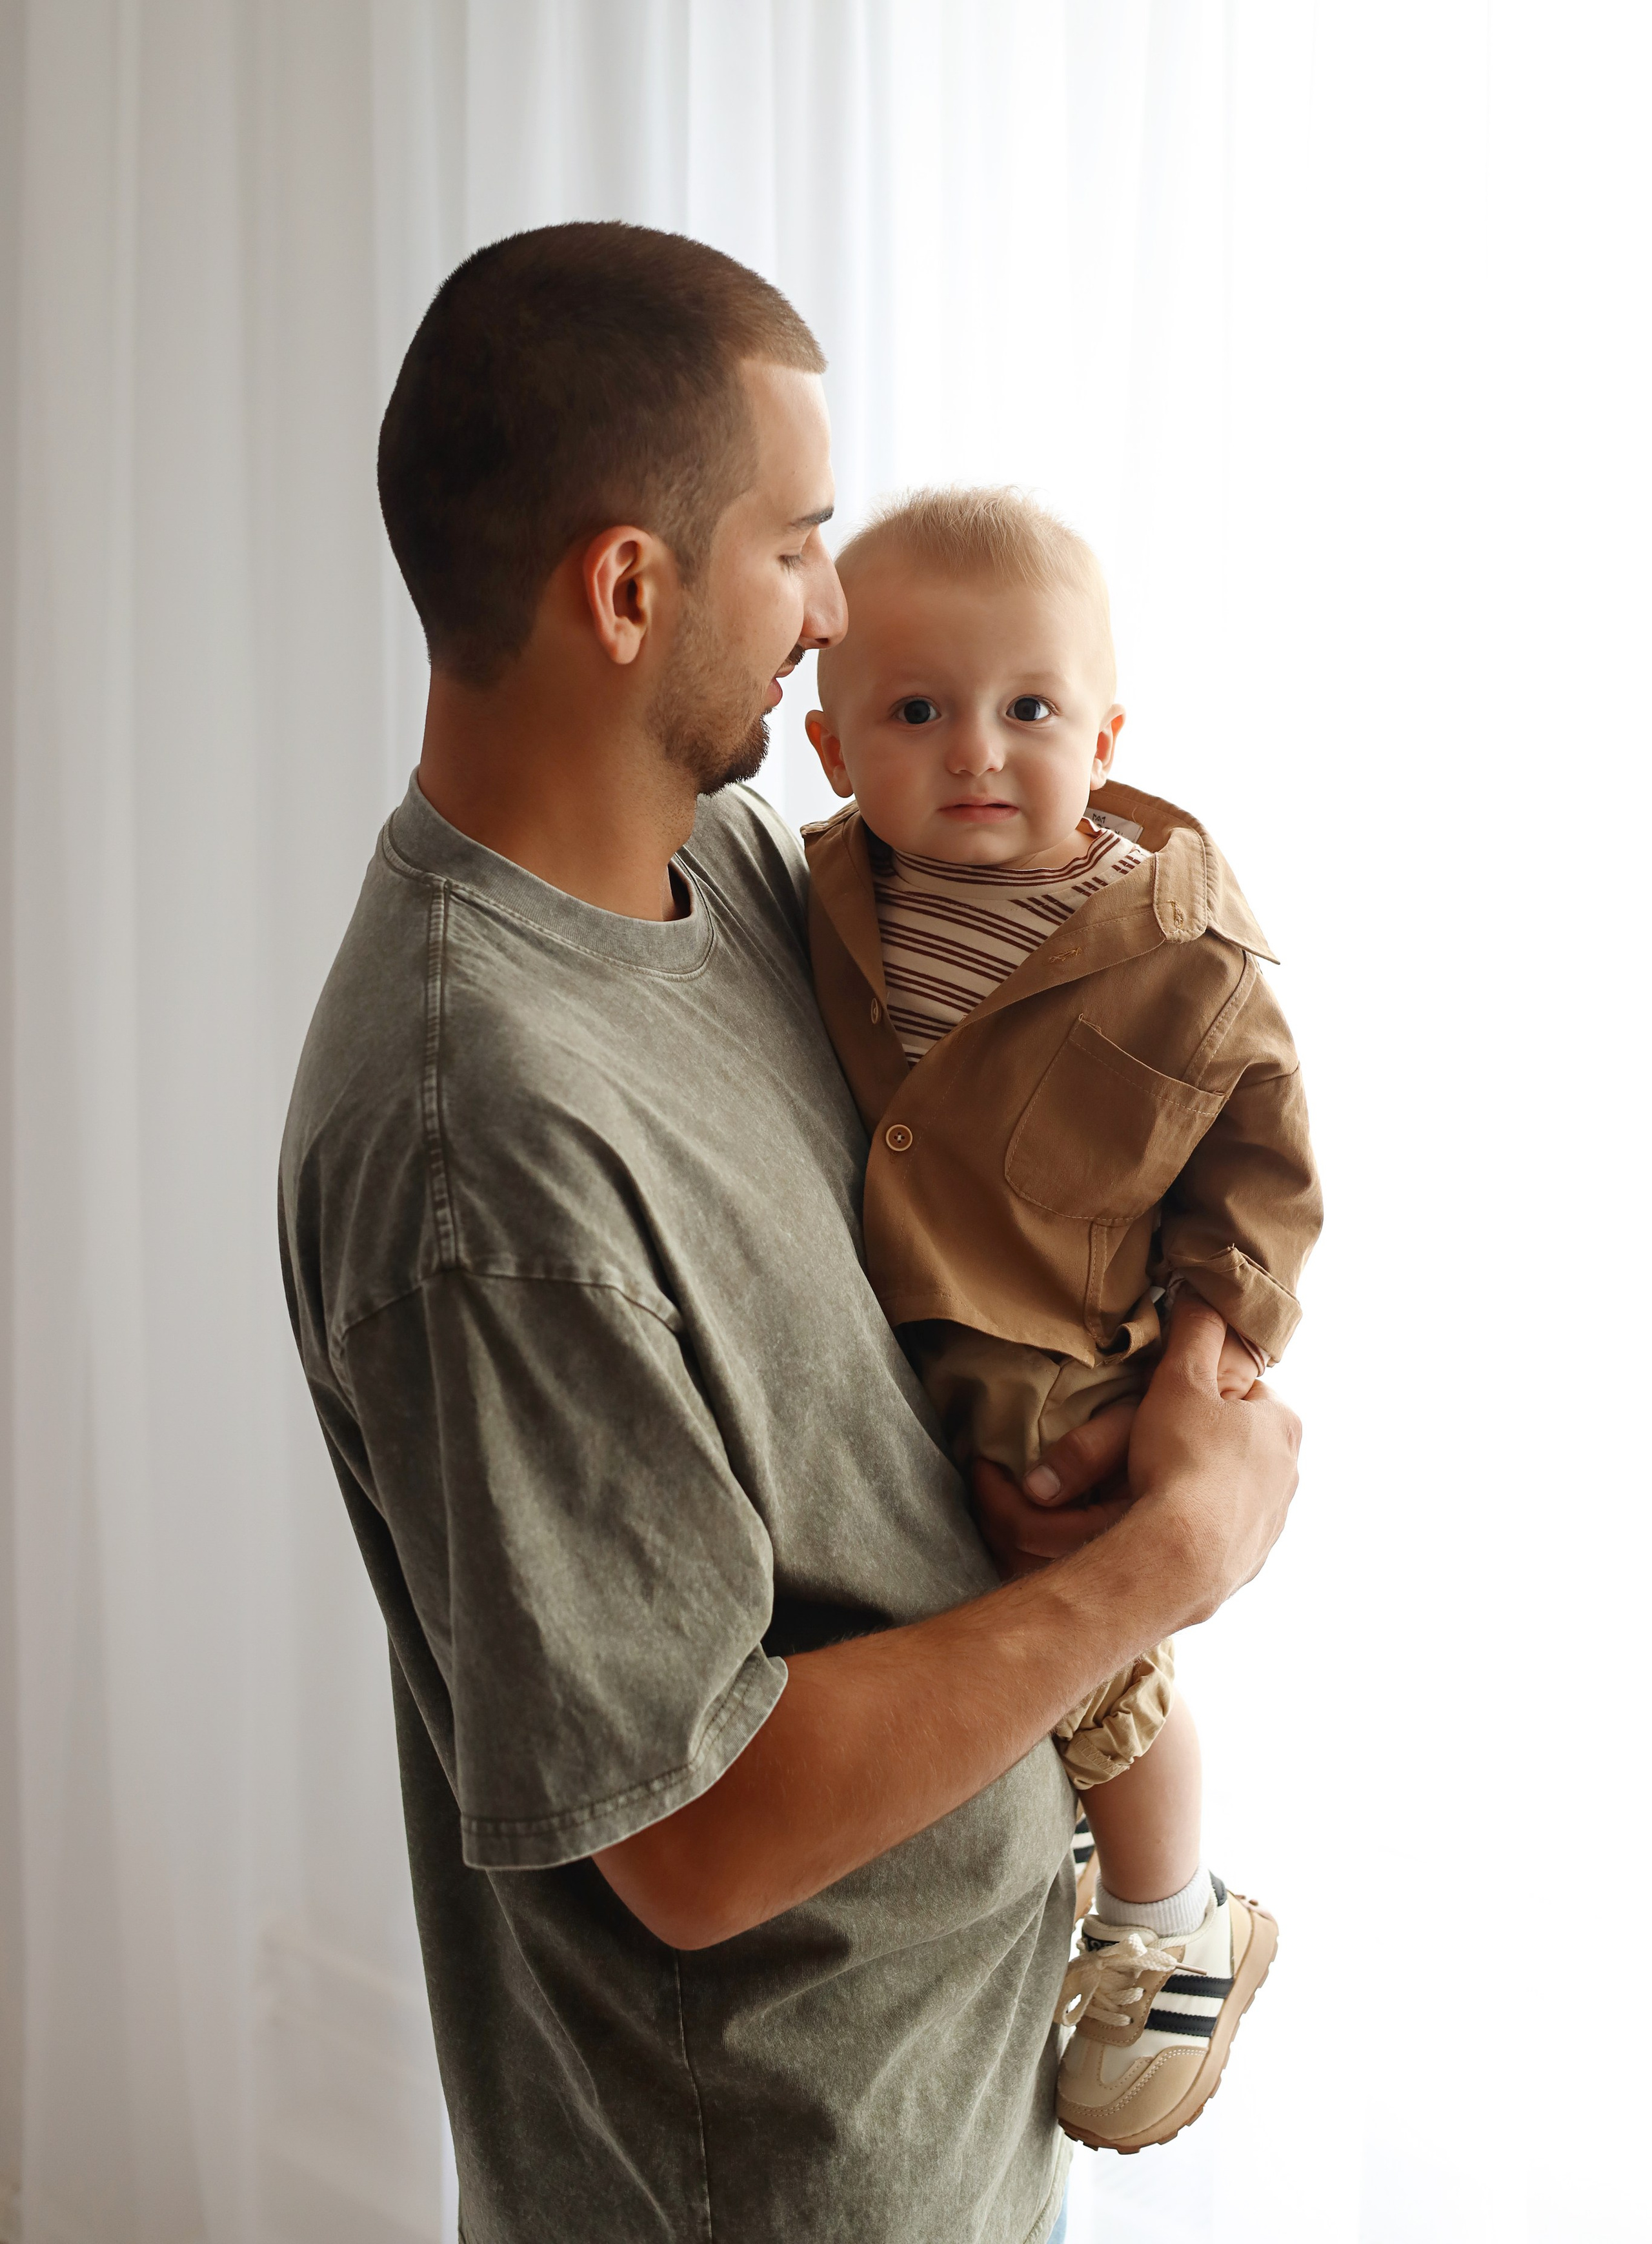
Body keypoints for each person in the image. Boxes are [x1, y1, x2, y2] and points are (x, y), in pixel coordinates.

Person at [277, 221, 1302, 2244]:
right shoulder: (482, 1137)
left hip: (942, 2095)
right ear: (630, 585)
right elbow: (696, 1832)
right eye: (799, 544)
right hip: (764, 2186)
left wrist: (1177, 1369)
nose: (835, 611)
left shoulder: (743, 872)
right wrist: (1171, 1559)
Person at [801, 487, 1322, 2154]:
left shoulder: (1181, 953)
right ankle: (1095, 1859)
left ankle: (1176, 1920)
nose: (979, 751)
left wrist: (1205, 1359)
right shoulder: (809, 892)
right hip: (870, 1352)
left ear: (1103, 732)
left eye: (1031, 710)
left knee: (1091, 1640)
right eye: (918, 712)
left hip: (1050, 1363)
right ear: (828, 749)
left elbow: (1259, 1175)